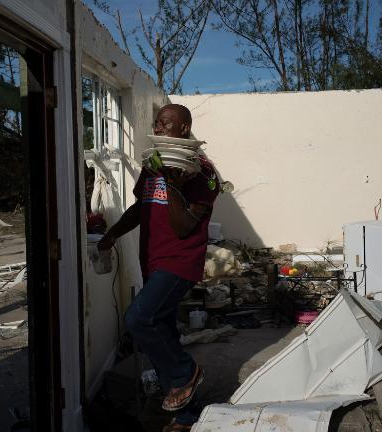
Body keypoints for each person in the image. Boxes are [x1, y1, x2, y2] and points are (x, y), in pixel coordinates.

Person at [98, 104, 219, 431]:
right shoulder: (155, 167)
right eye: (157, 123)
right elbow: (142, 207)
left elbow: (182, 227)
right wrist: (112, 233)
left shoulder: (202, 173)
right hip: (151, 259)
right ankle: (186, 413)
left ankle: (185, 374)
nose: (159, 128)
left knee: (139, 318)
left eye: (166, 124)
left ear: (183, 129)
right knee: (162, 331)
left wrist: (171, 180)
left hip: (179, 262)